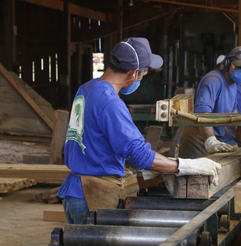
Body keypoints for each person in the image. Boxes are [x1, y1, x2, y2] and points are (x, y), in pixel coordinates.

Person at [57, 37, 222, 224]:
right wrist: (188, 166)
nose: (141, 79)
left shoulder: (86, 88)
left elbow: (97, 140)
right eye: (143, 74)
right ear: (133, 73)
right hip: (92, 194)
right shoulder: (110, 102)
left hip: (75, 192)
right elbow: (140, 155)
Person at [178, 47, 241, 159]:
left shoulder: (233, 85)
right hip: (198, 140)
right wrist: (210, 140)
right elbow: (203, 112)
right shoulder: (213, 81)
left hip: (213, 138)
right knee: (195, 174)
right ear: (229, 64)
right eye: (240, 68)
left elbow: (233, 114)